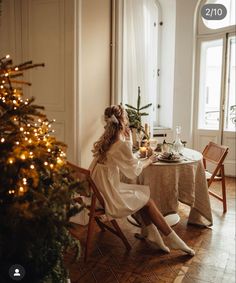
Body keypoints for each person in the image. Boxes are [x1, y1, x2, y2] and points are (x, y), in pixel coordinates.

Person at [89, 105, 195, 256]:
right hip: (109, 196)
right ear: (123, 120)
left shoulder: (107, 140)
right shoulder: (120, 143)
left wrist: (135, 150)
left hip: (100, 191)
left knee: (142, 198)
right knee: (147, 200)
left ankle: (152, 234)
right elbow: (132, 172)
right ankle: (172, 238)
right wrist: (150, 159)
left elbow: (126, 160)